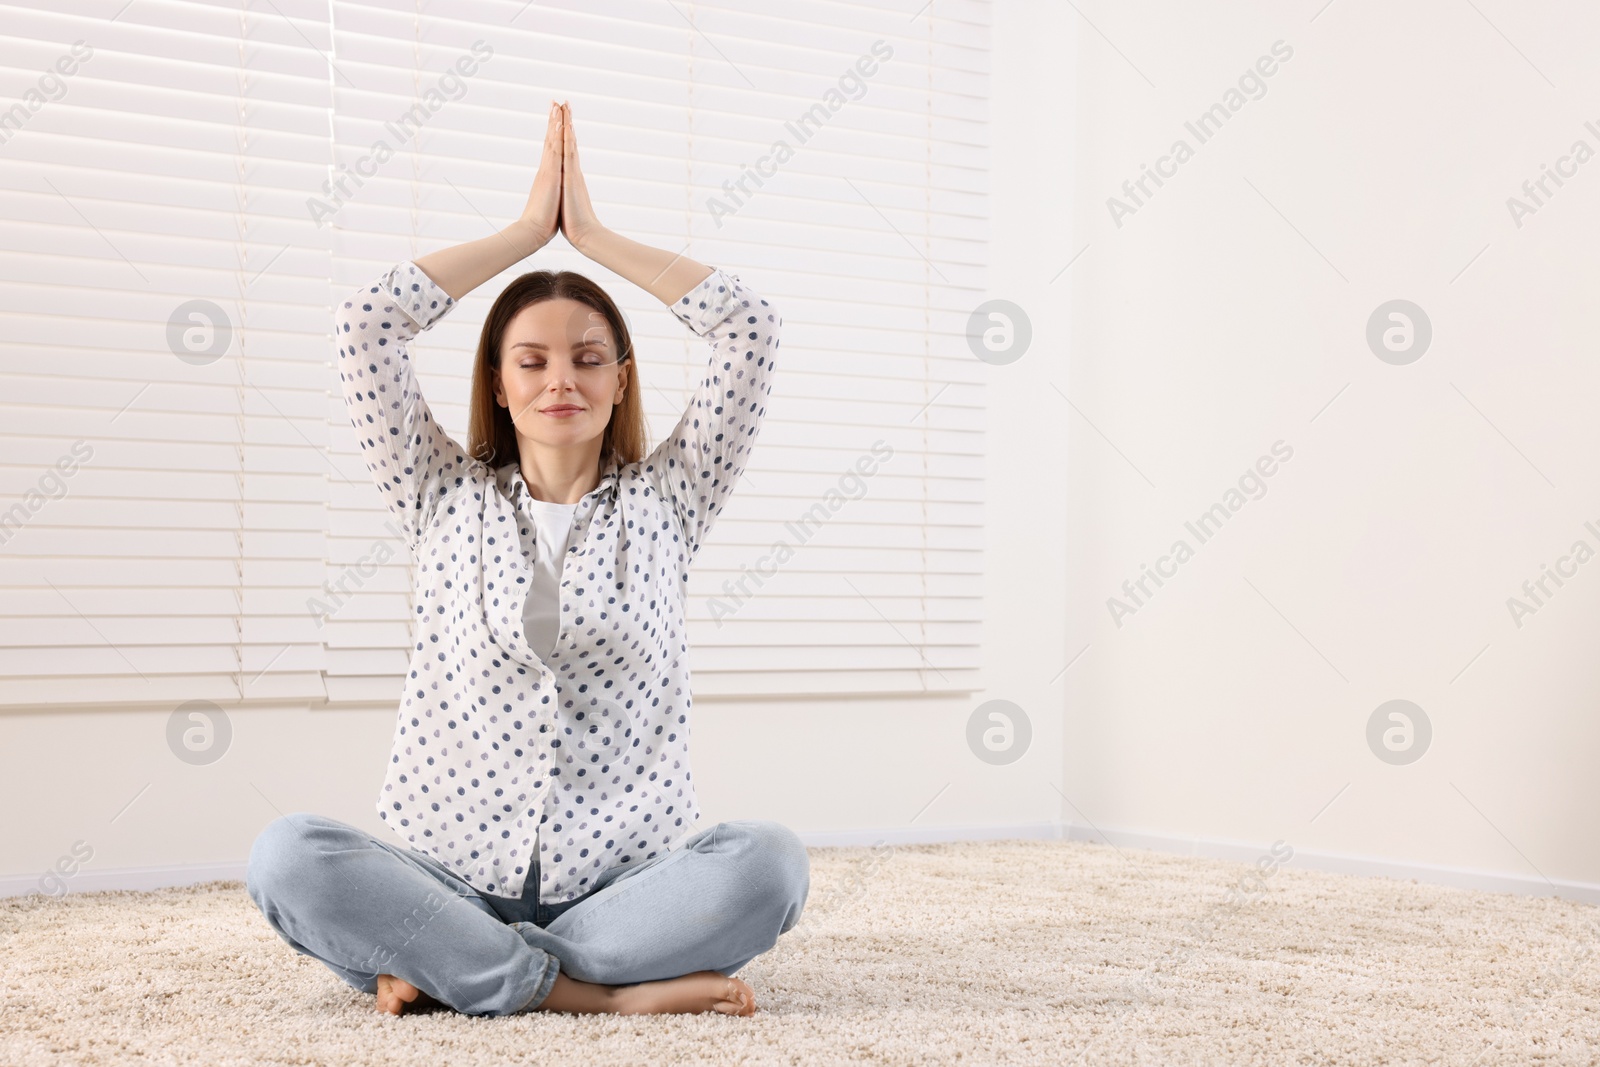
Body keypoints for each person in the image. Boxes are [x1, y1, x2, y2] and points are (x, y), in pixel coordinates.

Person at [245, 100, 806, 1018]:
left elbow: (749, 328)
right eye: (532, 360)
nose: (561, 380)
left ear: (620, 378)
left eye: (589, 358)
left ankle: (467, 972)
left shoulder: (673, 498)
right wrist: (521, 235)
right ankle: (594, 994)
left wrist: (591, 235)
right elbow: (364, 325)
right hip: (449, 875)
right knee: (287, 854)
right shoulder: (437, 493)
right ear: (499, 386)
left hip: (625, 887)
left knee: (769, 864)